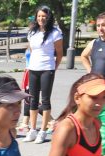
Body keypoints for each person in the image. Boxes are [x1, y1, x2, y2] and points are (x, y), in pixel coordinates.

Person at [24, 5, 64, 144]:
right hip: (33, 69)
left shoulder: (55, 33)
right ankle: (33, 130)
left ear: (49, 18)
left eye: (44, 17)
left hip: (47, 68)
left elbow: (59, 53)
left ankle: (42, 131)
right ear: (36, 17)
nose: (41, 19)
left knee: (45, 100)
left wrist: (54, 67)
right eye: (39, 16)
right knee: (33, 100)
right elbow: (31, 51)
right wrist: (29, 66)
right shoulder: (32, 32)